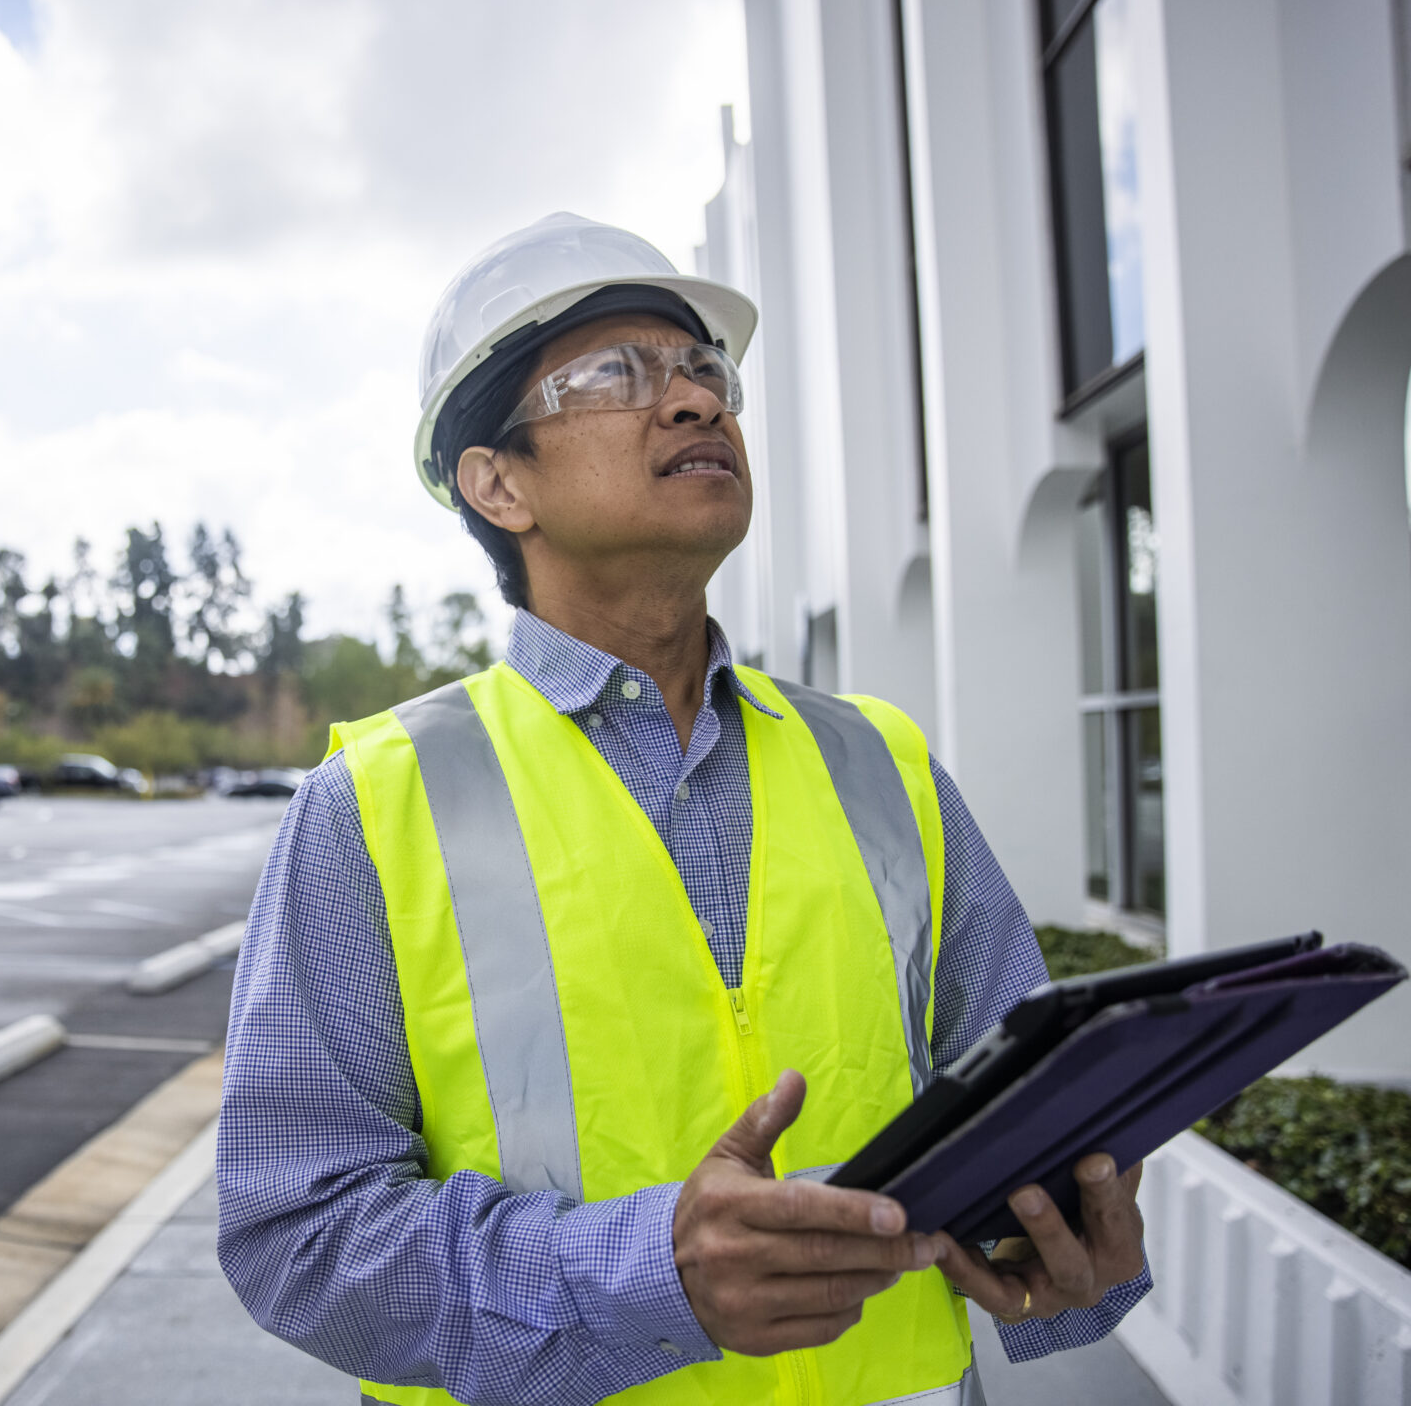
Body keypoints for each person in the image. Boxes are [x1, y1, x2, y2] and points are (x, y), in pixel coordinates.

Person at [218, 213, 1149, 1406]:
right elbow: (296, 1232)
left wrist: (1067, 1236)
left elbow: (1033, 1102)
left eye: (706, 371)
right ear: (497, 482)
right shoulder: (374, 804)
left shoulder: (882, 764)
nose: (696, 402)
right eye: (615, 376)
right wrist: (649, 1274)